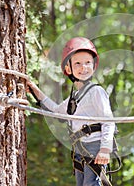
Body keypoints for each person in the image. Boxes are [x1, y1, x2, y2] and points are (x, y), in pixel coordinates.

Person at [27, 37, 116, 186]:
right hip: (79, 150)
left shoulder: (96, 91)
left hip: (95, 146)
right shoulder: (73, 99)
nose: (84, 67)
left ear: (94, 66)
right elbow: (55, 112)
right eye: (78, 63)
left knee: (91, 184)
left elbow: (108, 120)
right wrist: (35, 91)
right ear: (69, 69)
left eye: (88, 62)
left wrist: (105, 149)